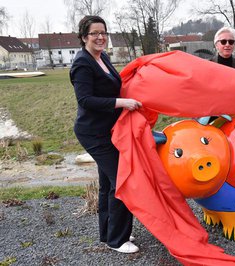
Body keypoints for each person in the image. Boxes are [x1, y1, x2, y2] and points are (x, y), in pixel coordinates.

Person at [70, 15, 142, 253]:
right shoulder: (82, 63)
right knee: (120, 181)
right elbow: (85, 100)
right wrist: (121, 102)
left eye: (103, 32)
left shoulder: (103, 57)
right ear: (83, 37)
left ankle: (109, 232)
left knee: (106, 184)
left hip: (107, 130)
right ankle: (117, 240)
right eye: (94, 33)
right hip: (93, 133)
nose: (100, 37)